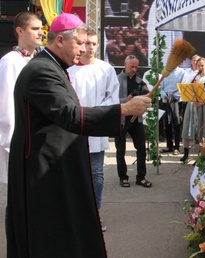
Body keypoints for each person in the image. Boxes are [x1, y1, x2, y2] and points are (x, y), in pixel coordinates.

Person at [6, 13, 151, 257]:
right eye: (80, 43)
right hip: (45, 172)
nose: (85, 50)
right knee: (51, 235)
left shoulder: (54, 66)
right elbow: (70, 115)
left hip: (56, 166)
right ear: (60, 40)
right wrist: (124, 110)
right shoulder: (43, 70)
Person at [67, 29, 120, 232]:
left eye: (94, 44)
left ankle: (94, 214)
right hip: (73, 129)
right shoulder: (69, 69)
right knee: (74, 174)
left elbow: (113, 97)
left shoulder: (105, 69)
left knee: (96, 173)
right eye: (86, 43)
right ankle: (74, 214)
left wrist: (96, 113)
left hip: (96, 129)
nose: (90, 47)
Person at [0, 11, 42, 185]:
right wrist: (13, 145)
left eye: (41, 28)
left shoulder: (38, 60)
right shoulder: (10, 62)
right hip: (20, 143)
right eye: (35, 28)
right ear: (20, 31)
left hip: (35, 139)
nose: (41, 32)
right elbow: (6, 108)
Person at [115, 55, 152, 188]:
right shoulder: (116, 80)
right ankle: (123, 177)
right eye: (132, 66)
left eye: (136, 67)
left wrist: (146, 97)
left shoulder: (140, 82)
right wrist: (126, 100)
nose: (134, 69)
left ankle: (141, 177)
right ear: (124, 64)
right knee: (120, 150)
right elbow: (110, 101)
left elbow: (147, 99)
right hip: (121, 120)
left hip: (136, 119)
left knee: (141, 149)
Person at [181, 57, 205, 163]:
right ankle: (186, 154)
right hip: (192, 105)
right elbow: (187, 90)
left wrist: (204, 101)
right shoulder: (193, 77)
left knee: (204, 129)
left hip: (204, 106)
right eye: (198, 65)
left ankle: (203, 155)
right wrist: (192, 98)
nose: (200, 67)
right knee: (188, 128)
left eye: (202, 65)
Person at [159, 66, 186, 155]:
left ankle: (177, 146)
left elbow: (183, 87)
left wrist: (174, 96)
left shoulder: (182, 72)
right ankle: (169, 145)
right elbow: (160, 86)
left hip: (176, 101)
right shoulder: (165, 71)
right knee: (167, 122)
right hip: (166, 100)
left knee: (176, 122)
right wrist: (164, 94)